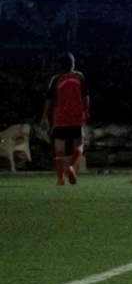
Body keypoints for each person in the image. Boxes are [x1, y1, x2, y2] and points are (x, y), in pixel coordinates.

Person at [42, 53, 89, 185]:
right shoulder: (79, 77)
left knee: (59, 150)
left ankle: (60, 178)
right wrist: (86, 110)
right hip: (76, 116)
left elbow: (48, 100)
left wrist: (44, 116)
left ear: (60, 65)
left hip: (60, 118)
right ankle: (72, 167)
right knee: (79, 144)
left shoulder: (56, 79)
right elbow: (85, 96)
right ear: (73, 64)